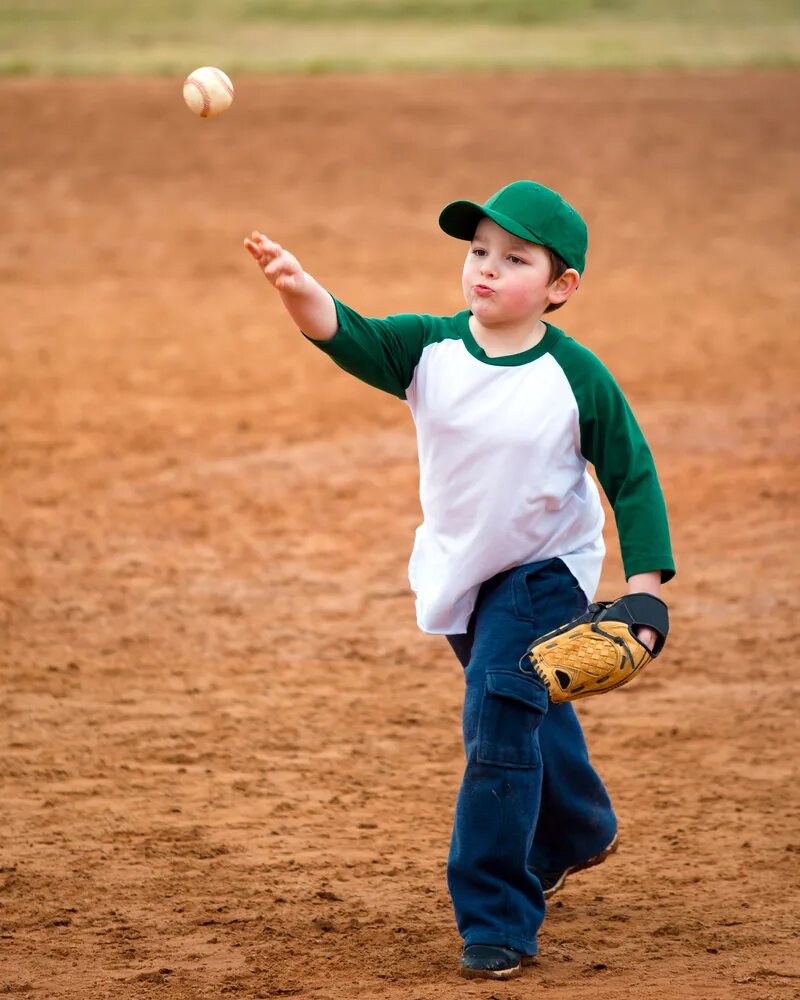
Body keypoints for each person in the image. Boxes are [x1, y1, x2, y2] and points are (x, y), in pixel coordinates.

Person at [244, 180, 675, 981]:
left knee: (498, 728)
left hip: (544, 574)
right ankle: (578, 826)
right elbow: (350, 334)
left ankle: (497, 918)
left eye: (514, 259)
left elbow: (632, 473)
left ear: (560, 287)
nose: (486, 268)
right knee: (527, 702)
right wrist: (302, 291)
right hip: (459, 577)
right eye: (478, 251)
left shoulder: (574, 376)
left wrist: (646, 585)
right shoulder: (430, 347)